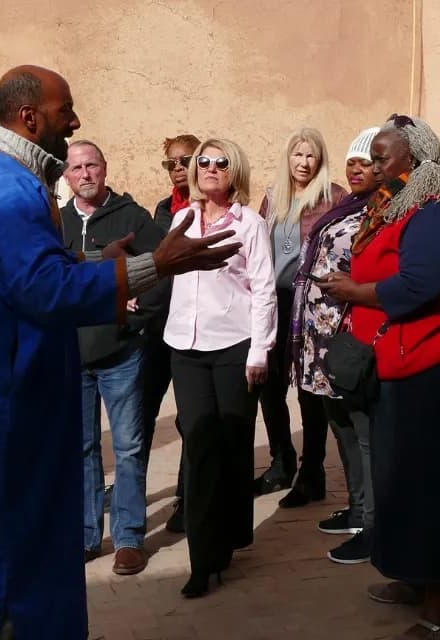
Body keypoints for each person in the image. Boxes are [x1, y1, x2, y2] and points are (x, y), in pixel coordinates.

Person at [0, 65, 240, 640]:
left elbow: (15, 277)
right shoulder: (7, 186)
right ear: (32, 117)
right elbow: (41, 289)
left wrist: (99, 264)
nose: (76, 122)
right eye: (67, 112)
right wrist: (154, 265)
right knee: (13, 544)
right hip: (9, 402)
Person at [319, 115, 440, 640]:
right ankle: (411, 576)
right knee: (398, 482)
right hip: (397, 362)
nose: (373, 166)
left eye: (382, 157)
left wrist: (351, 291)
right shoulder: (401, 206)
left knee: (428, 487)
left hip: (433, 368)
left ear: (415, 159)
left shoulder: (439, 211)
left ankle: (439, 613)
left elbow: (419, 284)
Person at [164, 138, 277, 599]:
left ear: (236, 172)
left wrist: (259, 352)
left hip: (233, 345)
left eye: (220, 162)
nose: (210, 168)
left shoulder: (249, 224)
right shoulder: (181, 219)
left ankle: (232, 533)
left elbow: (264, 288)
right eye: (202, 161)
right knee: (198, 443)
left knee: (232, 444)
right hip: (185, 347)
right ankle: (202, 559)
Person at [60, 139, 166, 571]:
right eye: (76, 168)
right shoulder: (56, 221)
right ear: (65, 176)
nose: (85, 174)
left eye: (92, 166)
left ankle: (128, 538)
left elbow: (163, 269)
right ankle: (87, 535)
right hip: (72, 353)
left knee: (127, 446)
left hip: (121, 352)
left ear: (105, 169)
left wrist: (136, 317)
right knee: (82, 448)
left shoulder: (132, 218)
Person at [291, 126, 380, 564]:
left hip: (350, 334)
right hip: (320, 336)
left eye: (366, 162)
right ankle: (359, 506)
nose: (357, 169)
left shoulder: (380, 212)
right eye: (352, 162)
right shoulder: (346, 207)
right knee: (340, 427)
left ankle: (374, 522)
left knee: (364, 432)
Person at [256, 127, 348, 505]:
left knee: (311, 390)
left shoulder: (334, 198)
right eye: (297, 155)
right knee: (269, 386)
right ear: (287, 158)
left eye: (311, 155)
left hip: (312, 306)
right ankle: (282, 461)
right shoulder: (272, 199)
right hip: (274, 302)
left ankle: (313, 475)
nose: (303, 163)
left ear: (320, 159)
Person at [146, 133, 201, 534]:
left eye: (185, 160)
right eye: (171, 163)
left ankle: (188, 496)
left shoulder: (213, 209)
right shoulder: (162, 211)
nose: (178, 167)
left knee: (190, 419)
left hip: (192, 328)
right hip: (154, 329)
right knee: (141, 413)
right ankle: (133, 491)